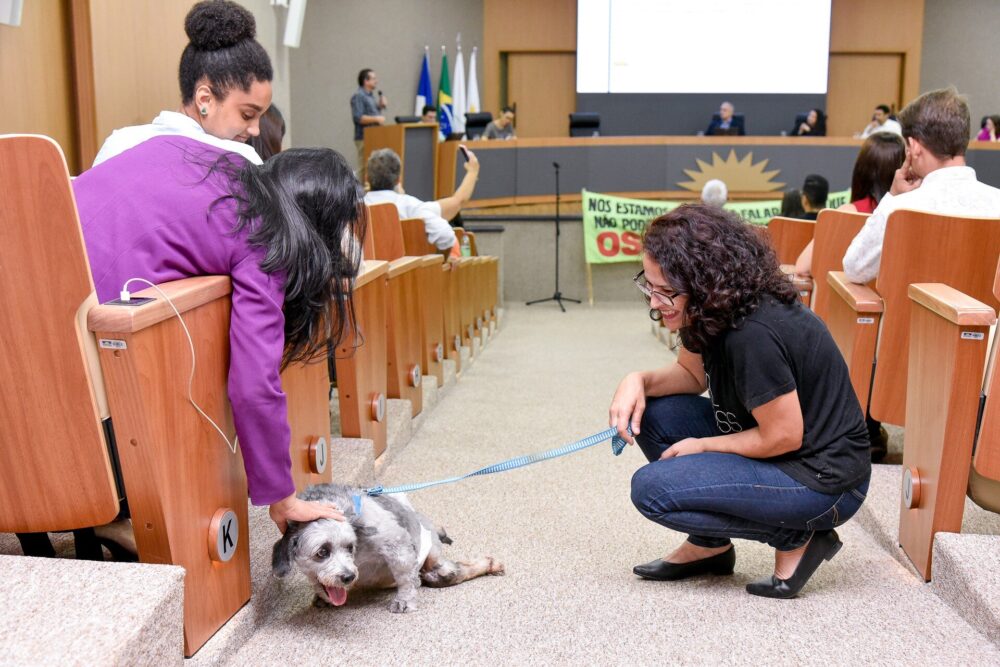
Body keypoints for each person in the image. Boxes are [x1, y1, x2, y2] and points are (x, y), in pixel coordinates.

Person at [75, 137, 362, 534]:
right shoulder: (268, 238)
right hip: (86, 340)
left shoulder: (203, 158)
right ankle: (115, 506)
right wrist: (283, 499)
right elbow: (253, 385)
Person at [611, 204, 870, 599]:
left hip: (823, 479)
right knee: (658, 414)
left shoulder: (753, 333)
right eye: (649, 286)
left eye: (666, 292)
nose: (654, 302)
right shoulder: (713, 307)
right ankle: (709, 543)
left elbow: (783, 436)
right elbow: (692, 377)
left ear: (703, 283)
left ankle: (797, 535)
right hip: (780, 445)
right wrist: (638, 381)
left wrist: (703, 445)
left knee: (652, 491)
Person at [843, 87, 1000, 285]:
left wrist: (892, 197)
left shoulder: (900, 208)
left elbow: (854, 269)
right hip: (982, 317)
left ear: (914, 147)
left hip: (907, 317)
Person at [92, 0, 271, 167]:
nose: (256, 130)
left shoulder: (120, 143)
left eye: (260, 116)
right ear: (205, 99)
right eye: (247, 115)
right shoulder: (238, 162)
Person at [794, 133, 905, 278]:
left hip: (844, 299)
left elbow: (802, 267)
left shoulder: (846, 214)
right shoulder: (913, 214)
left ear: (861, 170)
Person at [364, 147, 480, 253]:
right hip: (409, 273)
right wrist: (473, 171)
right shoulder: (410, 206)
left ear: (367, 178)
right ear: (399, 180)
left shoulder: (353, 207)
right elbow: (447, 236)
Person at [351, 68, 387, 181]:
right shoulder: (358, 96)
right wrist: (377, 118)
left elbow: (370, 114)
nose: (376, 81)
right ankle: (361, 195)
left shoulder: (370, 96)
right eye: (374, 78)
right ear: (366, 81)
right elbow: (358, 117)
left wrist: (380, 106)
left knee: (372, 167)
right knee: (364, 167)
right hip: (363, 137)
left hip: (373, 136)